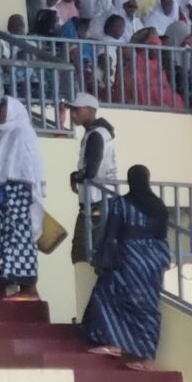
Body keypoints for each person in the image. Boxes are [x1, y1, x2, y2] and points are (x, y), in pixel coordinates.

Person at [81, 165, 171, 370]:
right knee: (147, 307)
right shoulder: (159, 206)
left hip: (129, 259)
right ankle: (147, 357)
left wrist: (104, 259)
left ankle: (112, 343)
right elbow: (162, 237)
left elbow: (112, 234)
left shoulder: (122, 204)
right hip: (152, 263)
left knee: (107, 298)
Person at [0, 98, 47, 301]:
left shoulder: (22, 133)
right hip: (8, 194)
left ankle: (29, 289)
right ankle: (15, 285)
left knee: (20, 237)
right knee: (6, 237)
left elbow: (26, 167)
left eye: (3, 112)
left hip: (20, 192)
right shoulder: (8, 134)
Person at [68, 94, 117, 264]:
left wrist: (75, 176)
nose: (73, 114)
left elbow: (91, 172)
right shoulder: (97, 132)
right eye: (72, 110)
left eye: (77, 110)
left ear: (90, 110)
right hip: (100, 201)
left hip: (96, 203)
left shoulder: (96, 135)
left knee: (83, 255)